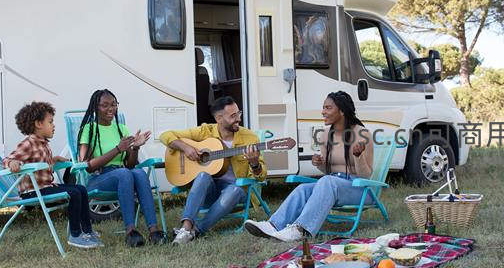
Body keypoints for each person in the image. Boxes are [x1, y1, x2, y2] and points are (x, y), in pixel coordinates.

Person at [244, 91, 373, 241]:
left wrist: (358, 156)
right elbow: (329, 173)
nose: (323, 112)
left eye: (328, 108)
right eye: (323, 107)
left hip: (359, 189)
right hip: (334, 185)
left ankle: (300, 229)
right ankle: (273, 225)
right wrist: (320, 164)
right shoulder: (326, 135)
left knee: (327, 181)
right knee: (303, 189)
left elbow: (366, 176)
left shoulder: (362, 134)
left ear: (342, 111)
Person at [160, 96, 267, 245]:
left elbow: (261, 177)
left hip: (234, 193)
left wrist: (254, 164)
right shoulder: (206, 131)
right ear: (219, 118)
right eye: (233, 116)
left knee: (235, 189)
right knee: (203, 175)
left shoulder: (250, 138)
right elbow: (165, 135)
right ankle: (186, 228)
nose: (238, 119)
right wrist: (186, 148)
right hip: (208, 191)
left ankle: (196, 231)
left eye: (239, 113)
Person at [3, 101, 103, 249]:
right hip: (33, 191)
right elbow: (8, 159)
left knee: (81, 189)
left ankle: (87, 231)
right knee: (74, 193)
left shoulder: (44, 144)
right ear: (38, 124)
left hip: (46, 187)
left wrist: (53, 160)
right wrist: (12, 163)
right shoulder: (29, 143)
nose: (53, 125)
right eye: (50, 122)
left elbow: (40, 162)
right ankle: (75, 235)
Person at [77, 89, 164, 247]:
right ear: (96, 107)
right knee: (125, 173)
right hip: (98, 178)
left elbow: (130, 164)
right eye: (105, 105)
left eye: (113, 104)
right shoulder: (89, 129)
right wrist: (117, 149)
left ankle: (154, 231)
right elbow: (87, 166)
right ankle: (131, 231)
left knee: (139, 172)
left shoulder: (121, 128)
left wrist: (135, 147)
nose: (111, 109)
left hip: (122, 174)